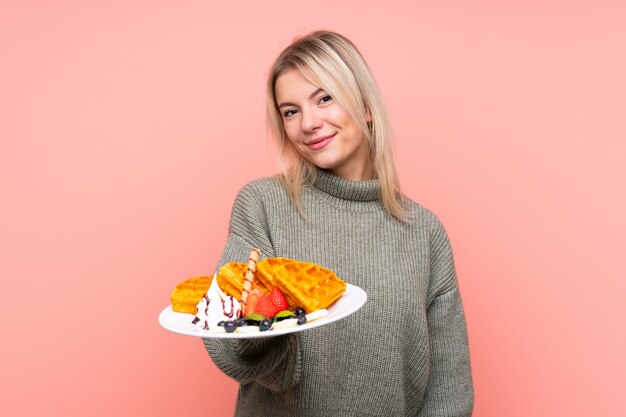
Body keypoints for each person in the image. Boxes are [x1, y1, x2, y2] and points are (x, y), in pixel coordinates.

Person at [203, 30, 474, 417]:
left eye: (324, 99)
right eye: (291, 111)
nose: (309, 123)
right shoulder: (263, 204)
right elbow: (228, 340)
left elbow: (449, 391)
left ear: (364, 106)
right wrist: (258, 326)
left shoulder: (424, 232)